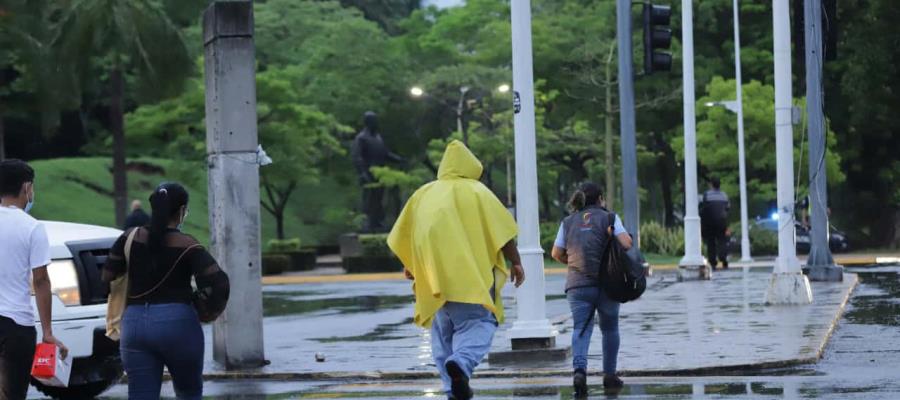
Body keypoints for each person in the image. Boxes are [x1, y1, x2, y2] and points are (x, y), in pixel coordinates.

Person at [388, 140, 525, 400]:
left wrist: (410, 264)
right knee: (480, 322)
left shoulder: (423, 194)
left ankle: (452, 390)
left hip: (432, 279)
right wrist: (516, 262)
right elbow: (504, 233)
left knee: (442, 336)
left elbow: (407, 234)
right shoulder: (478, 192)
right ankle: (462, 362)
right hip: (469, 277)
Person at [102, 183, 230, 400]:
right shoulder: (188, 245)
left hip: (134, 326)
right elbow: (219, 284)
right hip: (178, 323)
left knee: (141, 394)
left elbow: (107, 276)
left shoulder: (129, 238)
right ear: (181, 211)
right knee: (189, 392)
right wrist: (204, 310)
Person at [550, 182, 632, 396]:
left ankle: (579, 371)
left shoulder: (567, 222)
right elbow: (626, 243)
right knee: (610, 328)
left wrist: (573, 264)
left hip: (577, 286)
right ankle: (610, 375)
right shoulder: (610, 218)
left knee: (581, 328)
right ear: (600, 199)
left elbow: (556, 253)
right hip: (607, 285)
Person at [0, 159, 67, 400]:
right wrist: (47, 331)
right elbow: (40, 281)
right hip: (16, 325)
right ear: (27, 187)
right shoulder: (32, 227)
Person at [351, 111, 404, 233]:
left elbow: (385, 153)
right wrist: (362, 173)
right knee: (368, 199)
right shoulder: (361, 138)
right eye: (374, 120)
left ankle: (378, 222)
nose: (376, 123)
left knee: (379, 200)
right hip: (368, 174)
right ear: (368, 122)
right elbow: (357, 157)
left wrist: (398, 159)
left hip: (380, 175)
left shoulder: (377, 138)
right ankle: (367, 223)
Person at [700, 177, 730, 269]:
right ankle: (723, 257)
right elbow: (728, 208)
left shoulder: (706, 195)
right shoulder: (724, 195)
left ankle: (713, 262)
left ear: (711, 184)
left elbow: (703, 208)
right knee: (722, 240)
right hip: (721, 221)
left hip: (710, 222)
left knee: (711, 242)